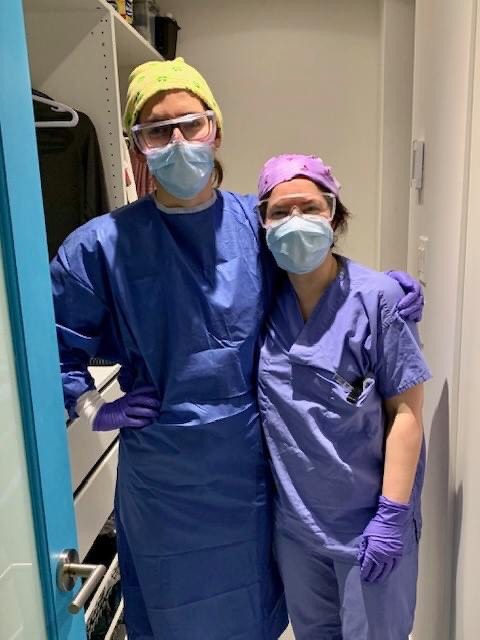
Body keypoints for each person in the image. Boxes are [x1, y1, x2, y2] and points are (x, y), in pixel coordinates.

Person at [50, 58, 423, 640]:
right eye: (156, 131)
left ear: (215, 129)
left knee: (252, 615)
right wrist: (95, 407)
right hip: (165, 482)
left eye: (190, 124)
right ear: (136, 147)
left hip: (249, 477)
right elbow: (49, 351)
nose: (176, 143)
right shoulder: (101, 246)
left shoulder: (258, 222)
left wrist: (377, 289)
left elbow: (315, 271)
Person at [256, 154, 431, 640]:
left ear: (335, 215)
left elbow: (407, 415)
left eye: (311, 207)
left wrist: (392, 516)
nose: (296, 222)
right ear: (263, 224)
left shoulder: (378, 300)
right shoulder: (262, 301)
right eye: (279, 211)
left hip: (368, 526)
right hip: (298, 530)